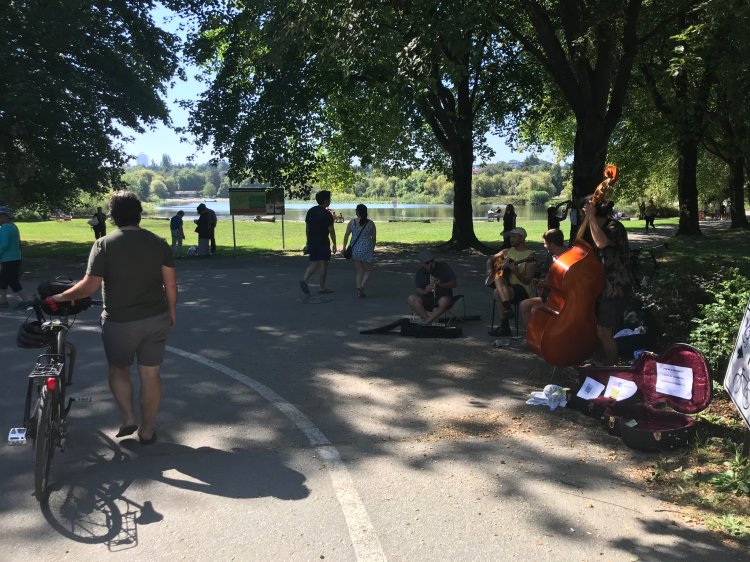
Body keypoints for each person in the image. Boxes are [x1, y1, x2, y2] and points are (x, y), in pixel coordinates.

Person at [47, 191, 177, 445]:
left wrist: (61, 297)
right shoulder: (159, 242)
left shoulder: (104, 244)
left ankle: (128, 418)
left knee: (118, 369)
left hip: (120, 322)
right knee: (151, 374)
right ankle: (147, 430)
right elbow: (170, 285)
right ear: (139, 213)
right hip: (156, 318)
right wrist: (171, 311)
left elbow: (88, 287)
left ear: (113, 216)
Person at [581, 197, 633, 365]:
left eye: (584, 211)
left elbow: (602, 243)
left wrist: (590, 217)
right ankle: (598, 364)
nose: (582, 215)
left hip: (615, 288)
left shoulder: (614, 226)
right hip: (600, 287)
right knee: (597, 330)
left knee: (604, 331)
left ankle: (610, 368)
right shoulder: (595, 228)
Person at [486, 227, 537, 337]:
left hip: (522, 290)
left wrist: (516, 272)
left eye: (514, 236)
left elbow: (527, 281)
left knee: (497, 291)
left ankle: (505, 326)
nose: (511, 239)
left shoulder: (530, 256)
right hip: (508, 288)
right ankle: (507, 309)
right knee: (498, 279)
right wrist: (490, 269)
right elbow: (490, 259)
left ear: (522, 238)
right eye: (510, 236)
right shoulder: (507, 251)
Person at [520, 229, 567, 326]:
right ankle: (531, 334)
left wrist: (545, 284)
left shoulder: (567, 257)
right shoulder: (550, 255)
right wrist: (540, 282)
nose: (544, 246)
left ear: (552, 244)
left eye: (545, 243)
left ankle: (543, 334)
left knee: (535, 310)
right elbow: (545, 272)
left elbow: (564, 282)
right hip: (550, 295)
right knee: (524, 304)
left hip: (562, 298)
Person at [300, 190, 337, 294]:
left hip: (312, 241)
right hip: (323, 242)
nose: (330, 201)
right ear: (326, 201)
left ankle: (305, 280)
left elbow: (307, 228)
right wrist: (334, 243)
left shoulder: (311, 211)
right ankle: (322, 287)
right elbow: (331, 230)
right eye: (329, 199)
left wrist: (308, 241)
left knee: (314, 263)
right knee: (323, 265)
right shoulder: (327, 214)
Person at [407, 250, 458, 325]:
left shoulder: (444, 267)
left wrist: (440, 284)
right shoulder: (420, 273)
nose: (431, 264)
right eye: (427, 263)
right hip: (428, 299)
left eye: (432, 261)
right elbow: (418, 289)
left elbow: (454, 284)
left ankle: (427, 322)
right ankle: (428, 320)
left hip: (443, 297)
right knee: (411, 298)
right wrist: (425, 291)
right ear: (422, 263)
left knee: (443, 301)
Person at [341, 204, 377, 298]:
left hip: (355, 249)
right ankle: (361, 287)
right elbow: (374, 238)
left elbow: (346, 235)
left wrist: (344, 248)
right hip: (366, 249)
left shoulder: (352, 222)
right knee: (368, 271)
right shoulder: (371, 223)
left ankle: (358, 289)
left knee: (359, 271)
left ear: (357, 212)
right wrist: (372, 249)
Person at [0, 207, 31, 307]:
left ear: (5, 216)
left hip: (9, 259)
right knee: (3, 280)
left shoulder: (5, 228)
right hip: (15, 258)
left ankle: (26, 301)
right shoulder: (13, 226)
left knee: (13, 281)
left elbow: (4, 244)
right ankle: (2, 301)